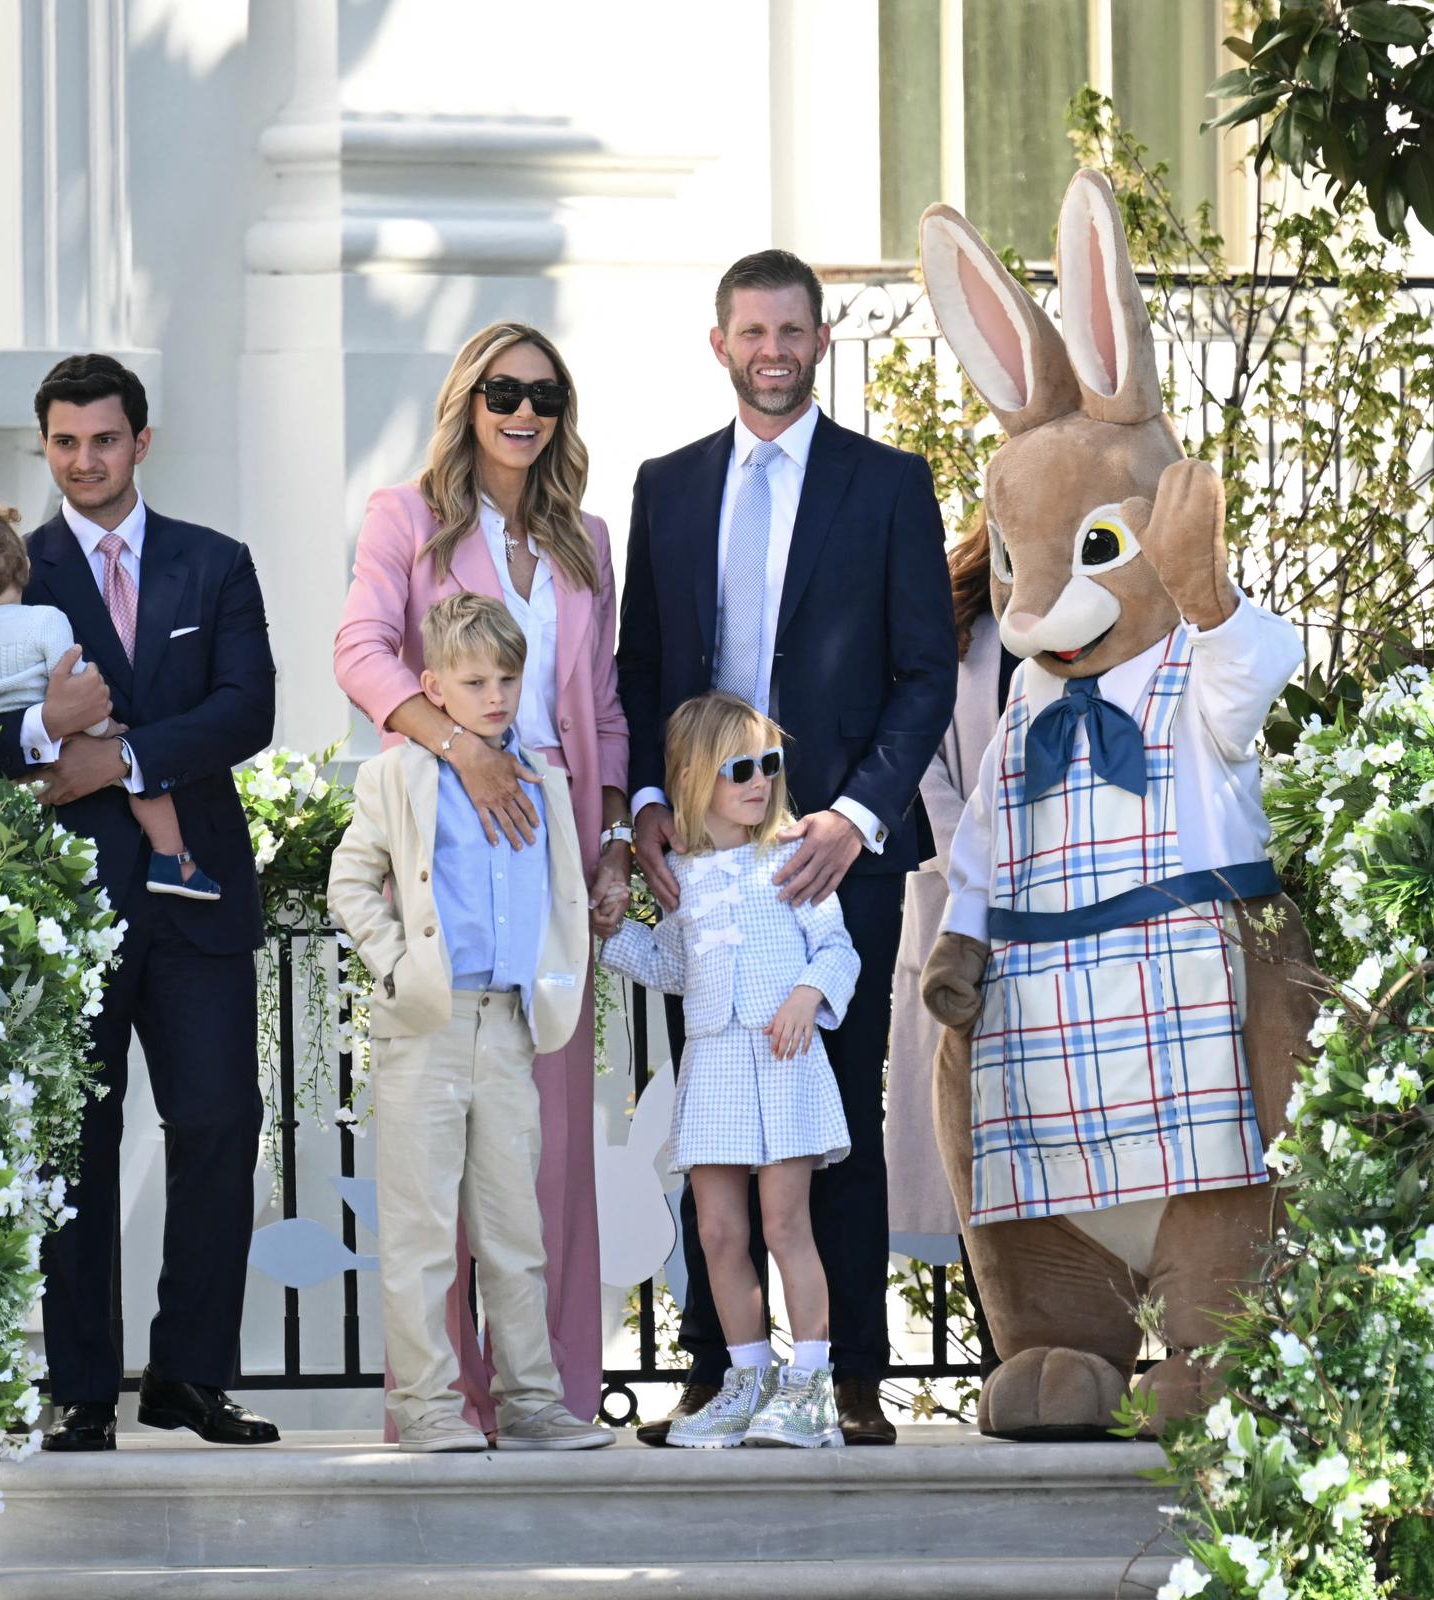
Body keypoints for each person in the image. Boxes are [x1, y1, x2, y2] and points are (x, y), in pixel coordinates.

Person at [616, 249, 957, 1445]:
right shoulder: (666, 486)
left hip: (836, 852)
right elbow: (642, 669)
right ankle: (724, 1373)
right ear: (720, 343)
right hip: (702, 864)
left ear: (820, 342)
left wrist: (853, 816)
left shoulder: (888, 484)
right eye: (752, 330)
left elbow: (924, 674)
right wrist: (645, 808)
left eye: (792, 330)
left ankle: (848, 1373)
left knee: (833, 1106)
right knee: (715, 1116)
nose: (773, 350)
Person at [0, 353, 279, 1452]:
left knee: (216, 1125)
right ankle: (82, 1385)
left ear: (139, 442)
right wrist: (45, 733)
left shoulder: (216, 564)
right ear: (45, 446)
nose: (85, 460)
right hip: (66, 907)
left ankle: (190, 1376)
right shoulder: (15, 568)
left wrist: (127, 756)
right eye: (65, 442)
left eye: (104, 440)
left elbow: (249, 710)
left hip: (196, 897)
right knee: (74, 1141)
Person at [334, 322, 630, 1436]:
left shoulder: (585, 537)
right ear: (468, 400)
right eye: (502, 391)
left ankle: (546, 1393)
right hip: (456, 827)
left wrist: (606, 843)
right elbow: (361, 651)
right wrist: (467, 750)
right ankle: (437, 1401)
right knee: (434, 1175)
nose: (523, 412)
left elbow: (597, 708)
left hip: (548, 851)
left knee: (538, 1161)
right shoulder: (405, 518)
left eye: (544, 396)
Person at [328, 594, 611, 1454]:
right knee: (420, 1232)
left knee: (513, 1230)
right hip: (428, 1026)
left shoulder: (547, 782)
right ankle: (426, 1409)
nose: (495, 696)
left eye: (508, 679)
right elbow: (349, 885)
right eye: (474, 680)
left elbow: (561, 891)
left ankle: (530, 1404)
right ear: (433, 686)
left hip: (512, 1027)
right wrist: (399, 968)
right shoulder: (396, 777)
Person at [599, 693, 860, 1449]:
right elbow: (673, 966)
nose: (758, 782)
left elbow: (837, 949)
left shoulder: (791, 856)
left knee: (785, 1224)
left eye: (768, 766)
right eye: (738, 769)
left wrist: (809, 996)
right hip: (713, 1064)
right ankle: (746, 1382)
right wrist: (606, 938)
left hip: (784, 1062)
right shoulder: (679, 876)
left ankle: (810, 1388)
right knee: (717, 1230)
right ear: (692, 777)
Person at [0, 500, 215, 900]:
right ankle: (172, 860)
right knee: (139, 772)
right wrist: (108, 731)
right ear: (24, 568)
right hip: (63, 744)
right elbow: (76, 688)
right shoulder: (45, 620)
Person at [886, 508, 1012, 1248]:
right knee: (961, 1133)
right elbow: (914, 743)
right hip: (954, 901)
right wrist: (967, 851)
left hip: (1061, 906)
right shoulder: (954, 610)